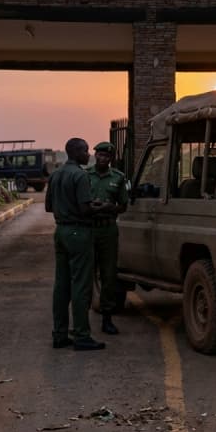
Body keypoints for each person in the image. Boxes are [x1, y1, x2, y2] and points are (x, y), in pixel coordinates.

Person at [45, 137, 112, 351]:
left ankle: (59, 333)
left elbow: (48, 206)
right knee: (81, 285)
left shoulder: (55, 175)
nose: (88, 154)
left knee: (61, 285)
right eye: (85, 150)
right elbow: (85, 209)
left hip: (61, 231)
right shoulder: (80, 175)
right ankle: (82, 335)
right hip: (79, 232)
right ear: (75, 152)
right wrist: (102, 208)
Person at [87, 142, 129, 335]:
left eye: (106, 156)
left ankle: (107, 318)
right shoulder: (85, 175)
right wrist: (91, 207)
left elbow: (123, 206)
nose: (102, 159)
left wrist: (108, 207)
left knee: (108, 275)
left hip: (108, 230)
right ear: (95, 156)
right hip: (88, 229)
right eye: (99, 155)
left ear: (111, 159)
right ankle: (82, 319)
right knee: (85, 274)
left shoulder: (118, 178)